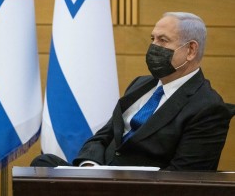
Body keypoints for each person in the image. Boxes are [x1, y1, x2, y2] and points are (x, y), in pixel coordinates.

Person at [32, 12, 231, 171]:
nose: (154, 47)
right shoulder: (141, 84)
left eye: (163, 40)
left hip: (138, 188)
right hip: (100, 178)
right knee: (43, 164)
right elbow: (104, 136)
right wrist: (90, 166)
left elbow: (184, 179)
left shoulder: (208, 107)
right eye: (152, 39)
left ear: (190, 50)